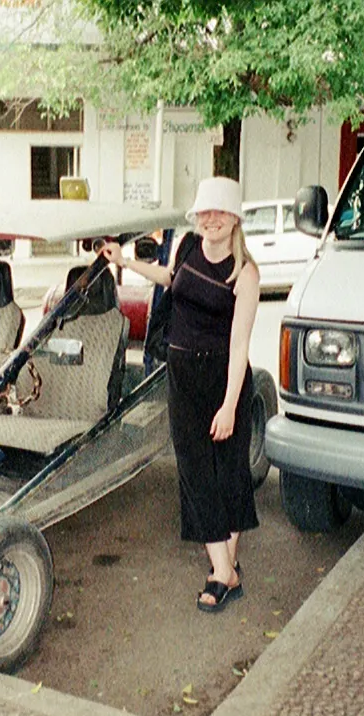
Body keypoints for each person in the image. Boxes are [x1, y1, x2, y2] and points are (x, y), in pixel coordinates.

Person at [100, 177, 261, 613]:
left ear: (234, 219)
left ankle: (223, 571)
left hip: (223, 376)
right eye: (205, 212)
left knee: (229, 470)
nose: (211, 220)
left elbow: (241, 346)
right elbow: (170, 279)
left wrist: (229, 405)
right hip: (183, 372)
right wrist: (127, 263)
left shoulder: (245, 273)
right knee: (194, 469)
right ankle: (225, 569)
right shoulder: (189, 245)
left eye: (220, 213)